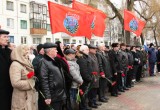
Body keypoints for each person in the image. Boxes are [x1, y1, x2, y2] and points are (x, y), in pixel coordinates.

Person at [39, 43, 66, 110]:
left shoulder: (55, 60)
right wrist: (47, 96)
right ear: (49, 51)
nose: (57, 51)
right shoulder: (44, 62)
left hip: (59, 94)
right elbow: (44, 80)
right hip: (53, 95)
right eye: (55, 49)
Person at [9, 45, 37, 110]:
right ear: (20, 54)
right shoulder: (15, 65)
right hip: (21, 99)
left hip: (29, 97)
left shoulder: (26, 63)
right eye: (26, 53)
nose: (28, 54)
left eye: (28, 51)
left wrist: (33, 77)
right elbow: (15, 83)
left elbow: (27, 76)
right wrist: (31, 83)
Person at [55, 41, 73, 110]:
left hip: (67, 81)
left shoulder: (61, 57)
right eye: (61, 47)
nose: (63, 48)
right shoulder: (57, 58)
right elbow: (63, 71)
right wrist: (69, 78)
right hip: (64, 81)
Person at [76, 45, 93, 110]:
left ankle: (85, 106)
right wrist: (89, 78)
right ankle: (83, 107)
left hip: (87, 79)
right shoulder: (81, 58)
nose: (88, 51)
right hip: (84, 80)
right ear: (83, 50)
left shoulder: (86, 57)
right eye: (87, 50)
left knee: (85, 94)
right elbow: (83, 71)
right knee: (83, 94)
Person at [0, 29, 13, 110]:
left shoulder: (10, 51)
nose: (7, 39)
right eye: (5, 37)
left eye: (8, 37)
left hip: (9, 87)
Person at [32, 44, 45, 110]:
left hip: (44, 80)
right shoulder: (36, 59)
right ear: (39, 50)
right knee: (42, 99)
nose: (44, 50)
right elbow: (34, 70)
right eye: (42, 49)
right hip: (40, 81)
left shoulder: (45, 57)